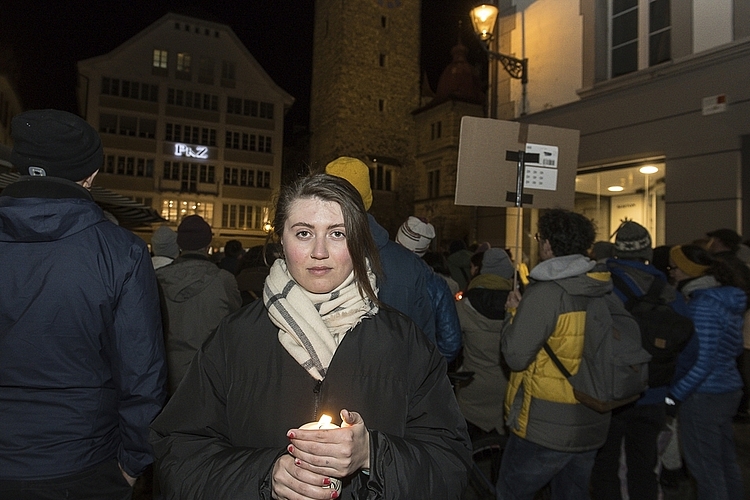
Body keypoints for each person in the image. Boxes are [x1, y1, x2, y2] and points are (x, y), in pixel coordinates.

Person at [149, 173, 472, 499]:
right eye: (304, 233)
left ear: (359, 242)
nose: (320, 251)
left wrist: (372, 454)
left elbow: (450, 464)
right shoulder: (234, 338)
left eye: (337, 234)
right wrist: (265, 477)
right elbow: (177, 452)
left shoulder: (405, 343)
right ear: (281, 240)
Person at [0, 109, 166, 498]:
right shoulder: (121, 251)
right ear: (90, 176)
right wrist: (133, 462)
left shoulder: (118, 251)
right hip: (84, 461)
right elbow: (142, 374)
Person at [497, 208, 611, 500]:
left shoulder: (548, 293)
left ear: (547, 244)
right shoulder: (603, 286)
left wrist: (513, 313)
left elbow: (515, 356)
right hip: (592, 416)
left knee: (512, 492)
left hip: (545, 427)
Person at [590, 221, 691, 500]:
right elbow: (690, 345)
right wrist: (670, 386)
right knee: (644, 468)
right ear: (647, 251)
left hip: (609, 393)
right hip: (654, 393)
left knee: (604, 467)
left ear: (617, 250)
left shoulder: (601, 284)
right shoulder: (667, 291)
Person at [325, 157, 437, 347]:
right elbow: (424, 345)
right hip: (395, 372)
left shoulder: (307, 258)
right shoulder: (408, 265)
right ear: (368, 199)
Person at [667, 244, 746, 499]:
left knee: (706, 471)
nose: (672, 273)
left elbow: (702, 362)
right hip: (727, 388)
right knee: (725, 463)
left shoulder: (703, 306)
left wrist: (674, 396)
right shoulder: (725, 299)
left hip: (703, 395)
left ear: (689, 271)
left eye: (675, 268)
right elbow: (732, 349)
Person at [156, 215, 242, 395]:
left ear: (179, 244)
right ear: (208, 245)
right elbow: (236, 324)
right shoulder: (224, 281)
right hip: (207, 376)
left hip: (164, 374)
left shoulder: (158, 279)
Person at [455, 248, 514, 439]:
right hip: (508, 388)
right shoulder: (520, 303)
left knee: (468, 446)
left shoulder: (464, 305)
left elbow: (452, 343)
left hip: (473, 387)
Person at [395, 215, 462, 363]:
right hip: (418, 371)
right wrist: (430, 368)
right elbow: (451, 341)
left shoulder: (372, 274)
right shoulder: (437, 285)